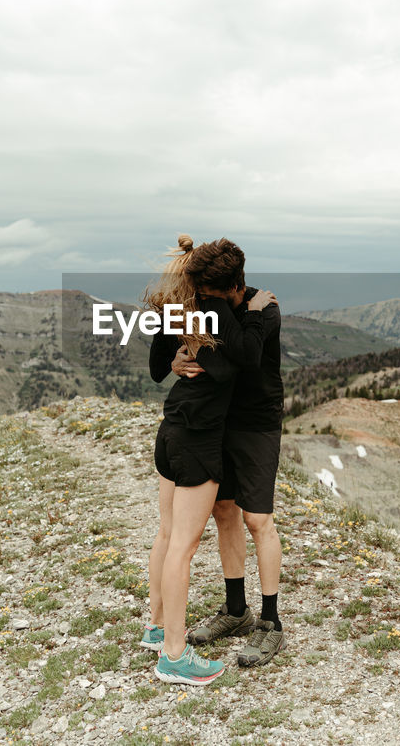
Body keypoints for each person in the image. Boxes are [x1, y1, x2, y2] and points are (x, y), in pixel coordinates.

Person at [140, 235, 276, 686]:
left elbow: (162, 366)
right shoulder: (217, 314)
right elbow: (243, 359)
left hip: (173, 428)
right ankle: (174, 656)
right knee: (184, 546)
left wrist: (182, 352)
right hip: (198, 439)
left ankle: (157, 629)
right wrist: (250, 316)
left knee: (167, 534)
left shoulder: (186, 308)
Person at [172, 282, 285, 666]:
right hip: (222, 420)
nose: (208, 300)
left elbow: (245, 358)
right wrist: (178, 358)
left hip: (257, 424)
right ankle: (237, 611)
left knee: (258, 518)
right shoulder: (211, 306)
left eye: (213, 293)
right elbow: (200, 352)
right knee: (224, 512)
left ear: (234, 285)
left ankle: (271, 623)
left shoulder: (264, 307)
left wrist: (250, 313)